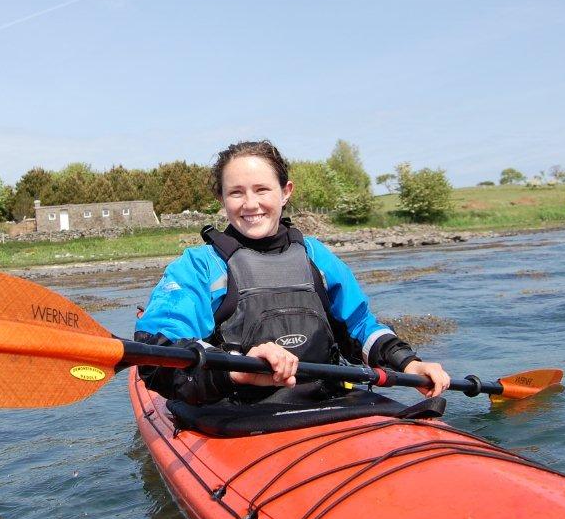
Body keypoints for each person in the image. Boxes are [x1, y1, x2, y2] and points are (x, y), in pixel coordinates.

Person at [134, 140, 451, 406]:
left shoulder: (316, 257)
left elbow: (360, 327)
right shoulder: (200, 266)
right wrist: (235, 369)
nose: (251, 203)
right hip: (234, 413)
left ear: (285, 192)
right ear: (221, 198)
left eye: (262, 189)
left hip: (328, 403)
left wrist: (409, 362)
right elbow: (159, 349)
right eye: (236, 192)